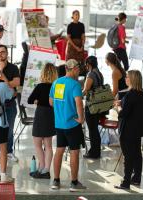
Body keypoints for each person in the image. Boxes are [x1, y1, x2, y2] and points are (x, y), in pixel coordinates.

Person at [49, 59, 86, 192]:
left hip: (59, 124)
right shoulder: (75, 85)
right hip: (72, 124)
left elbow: (51, 102)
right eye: (78, 68)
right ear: (74, 69)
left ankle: (56, 180)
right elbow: (79, 103)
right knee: (74, 152)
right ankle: (74, 183)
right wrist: (81, 118)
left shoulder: (57, 83)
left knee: (59, 151)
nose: (79, 71)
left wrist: (61, 109)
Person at [114, 70, 143, 189]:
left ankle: (126, 182)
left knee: (128, 156)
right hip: (137, 130)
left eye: (127, 77)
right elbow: (130, 105)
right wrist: (121, 102)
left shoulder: (130, 95)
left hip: (128, 130)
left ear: (132, 79)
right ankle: (136, 178)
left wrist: (117, 107)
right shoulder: (140, 93)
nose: (125, 79)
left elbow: (123, 113)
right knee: (137, 154)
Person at [27, 63, 58, 179]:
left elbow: (30, 100)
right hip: (51, 115)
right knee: (48, 145)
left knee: (37, 143)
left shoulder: (40, 86)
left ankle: (42, 168)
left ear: (43, 73)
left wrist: (37, 101)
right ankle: (45, 170)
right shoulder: (57, 86)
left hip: (41, 114)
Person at [0, 44, 20, 162]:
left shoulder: (13, 68)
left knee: (9, 130)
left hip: (10, 104)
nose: (0, 54)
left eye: (3, 52)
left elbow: (15, 84)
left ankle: (9, 152)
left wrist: (1, 73)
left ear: (7, 54)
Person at [82, 56, 104, 159]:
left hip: (91, 105)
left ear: (88, 65)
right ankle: (96, 151)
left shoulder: (90, 74)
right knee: (94, 129)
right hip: (99, 104)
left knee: (92, 130)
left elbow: (86, 90)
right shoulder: (99, 73)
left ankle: (93, 152)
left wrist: (77, 95)